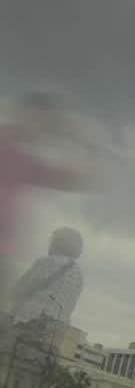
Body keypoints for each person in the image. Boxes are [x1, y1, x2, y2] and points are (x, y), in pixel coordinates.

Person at [1, 93, 85, 315]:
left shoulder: (24, 158)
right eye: (47, 123)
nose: (47, 132)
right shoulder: (7, 142)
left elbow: (68, 179)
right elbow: (71, 179)